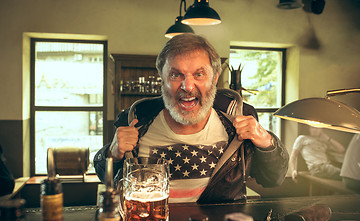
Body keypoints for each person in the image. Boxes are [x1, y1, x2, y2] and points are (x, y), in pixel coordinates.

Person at [94, 33, 289, 203]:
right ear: (162, 78)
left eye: (199, 74)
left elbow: (273, 179)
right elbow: (105, 176)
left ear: (215, 78)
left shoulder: (238, 117)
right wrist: (113, 153)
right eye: (176, 75)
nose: (187, 86)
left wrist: (266, 141)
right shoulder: (134, 120)